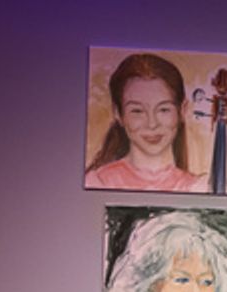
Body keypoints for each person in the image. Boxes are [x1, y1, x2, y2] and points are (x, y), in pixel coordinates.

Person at [85, 53, 208, 192]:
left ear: (182, 110)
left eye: (163, 109)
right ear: (118, 113)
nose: (152, 124)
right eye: (137, 111)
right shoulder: (98, 182)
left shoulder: (199, 187)